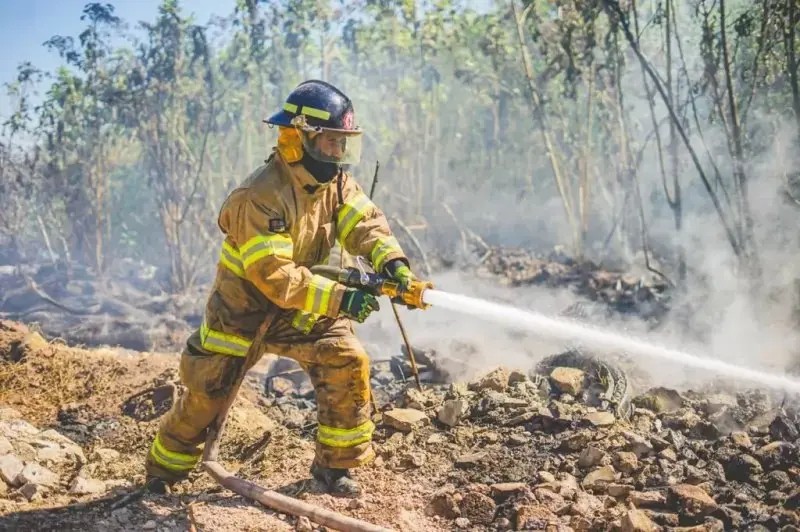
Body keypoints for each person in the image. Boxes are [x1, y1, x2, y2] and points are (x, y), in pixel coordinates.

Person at [145, 79, 420, 497]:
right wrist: (343, 298)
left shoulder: (337, 185)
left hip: (302, 307)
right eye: (330, 143)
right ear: (297, 139)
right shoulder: (258, 197)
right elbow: (275, 276)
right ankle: (162, 474)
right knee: (207, 395)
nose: (338, 154)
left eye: (343, 144)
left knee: (346, 359)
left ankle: (334, 468)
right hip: (240, 314)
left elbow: (364, 224)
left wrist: (393, 263)